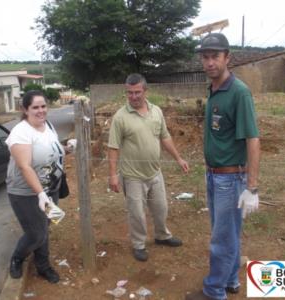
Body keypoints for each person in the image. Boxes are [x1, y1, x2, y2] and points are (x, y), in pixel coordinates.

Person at [185, 33, 260, 300]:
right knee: (229, 233)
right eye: (205, 57)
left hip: (230, 178)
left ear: (227, 58)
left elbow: (253, 138)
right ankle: (230, 281)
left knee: (221, 239)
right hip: (215, 175)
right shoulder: (214, 90)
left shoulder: (239, 92)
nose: (209, 62)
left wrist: (252, 187)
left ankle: (213, 292)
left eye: (215, 56)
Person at [108, 73, 189, 262]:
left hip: (155, 172)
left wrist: (178, 158)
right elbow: (113, 147)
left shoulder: (156, 111)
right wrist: (112, 175)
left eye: (137, 92)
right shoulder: (120, 117)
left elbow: (165, 137)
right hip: (132, 176)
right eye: (129, 93)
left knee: (161, 208)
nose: (134, 97)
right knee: (137, 213)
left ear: (145, 91)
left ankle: (162, 236)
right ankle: (139, 244)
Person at [5, 90, 65, 283]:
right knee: (36, 233)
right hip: (26, 194)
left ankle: (43, 266)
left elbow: (50, 151)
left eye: (43, 106)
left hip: (51, 189)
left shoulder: (47, 125)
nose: (41, 111)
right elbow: (24, 166)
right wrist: (40, 194)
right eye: (35, 107)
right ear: (25, 109)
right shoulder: (20, 133)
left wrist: (66, 148)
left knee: (45, 228)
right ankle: (17, 258)